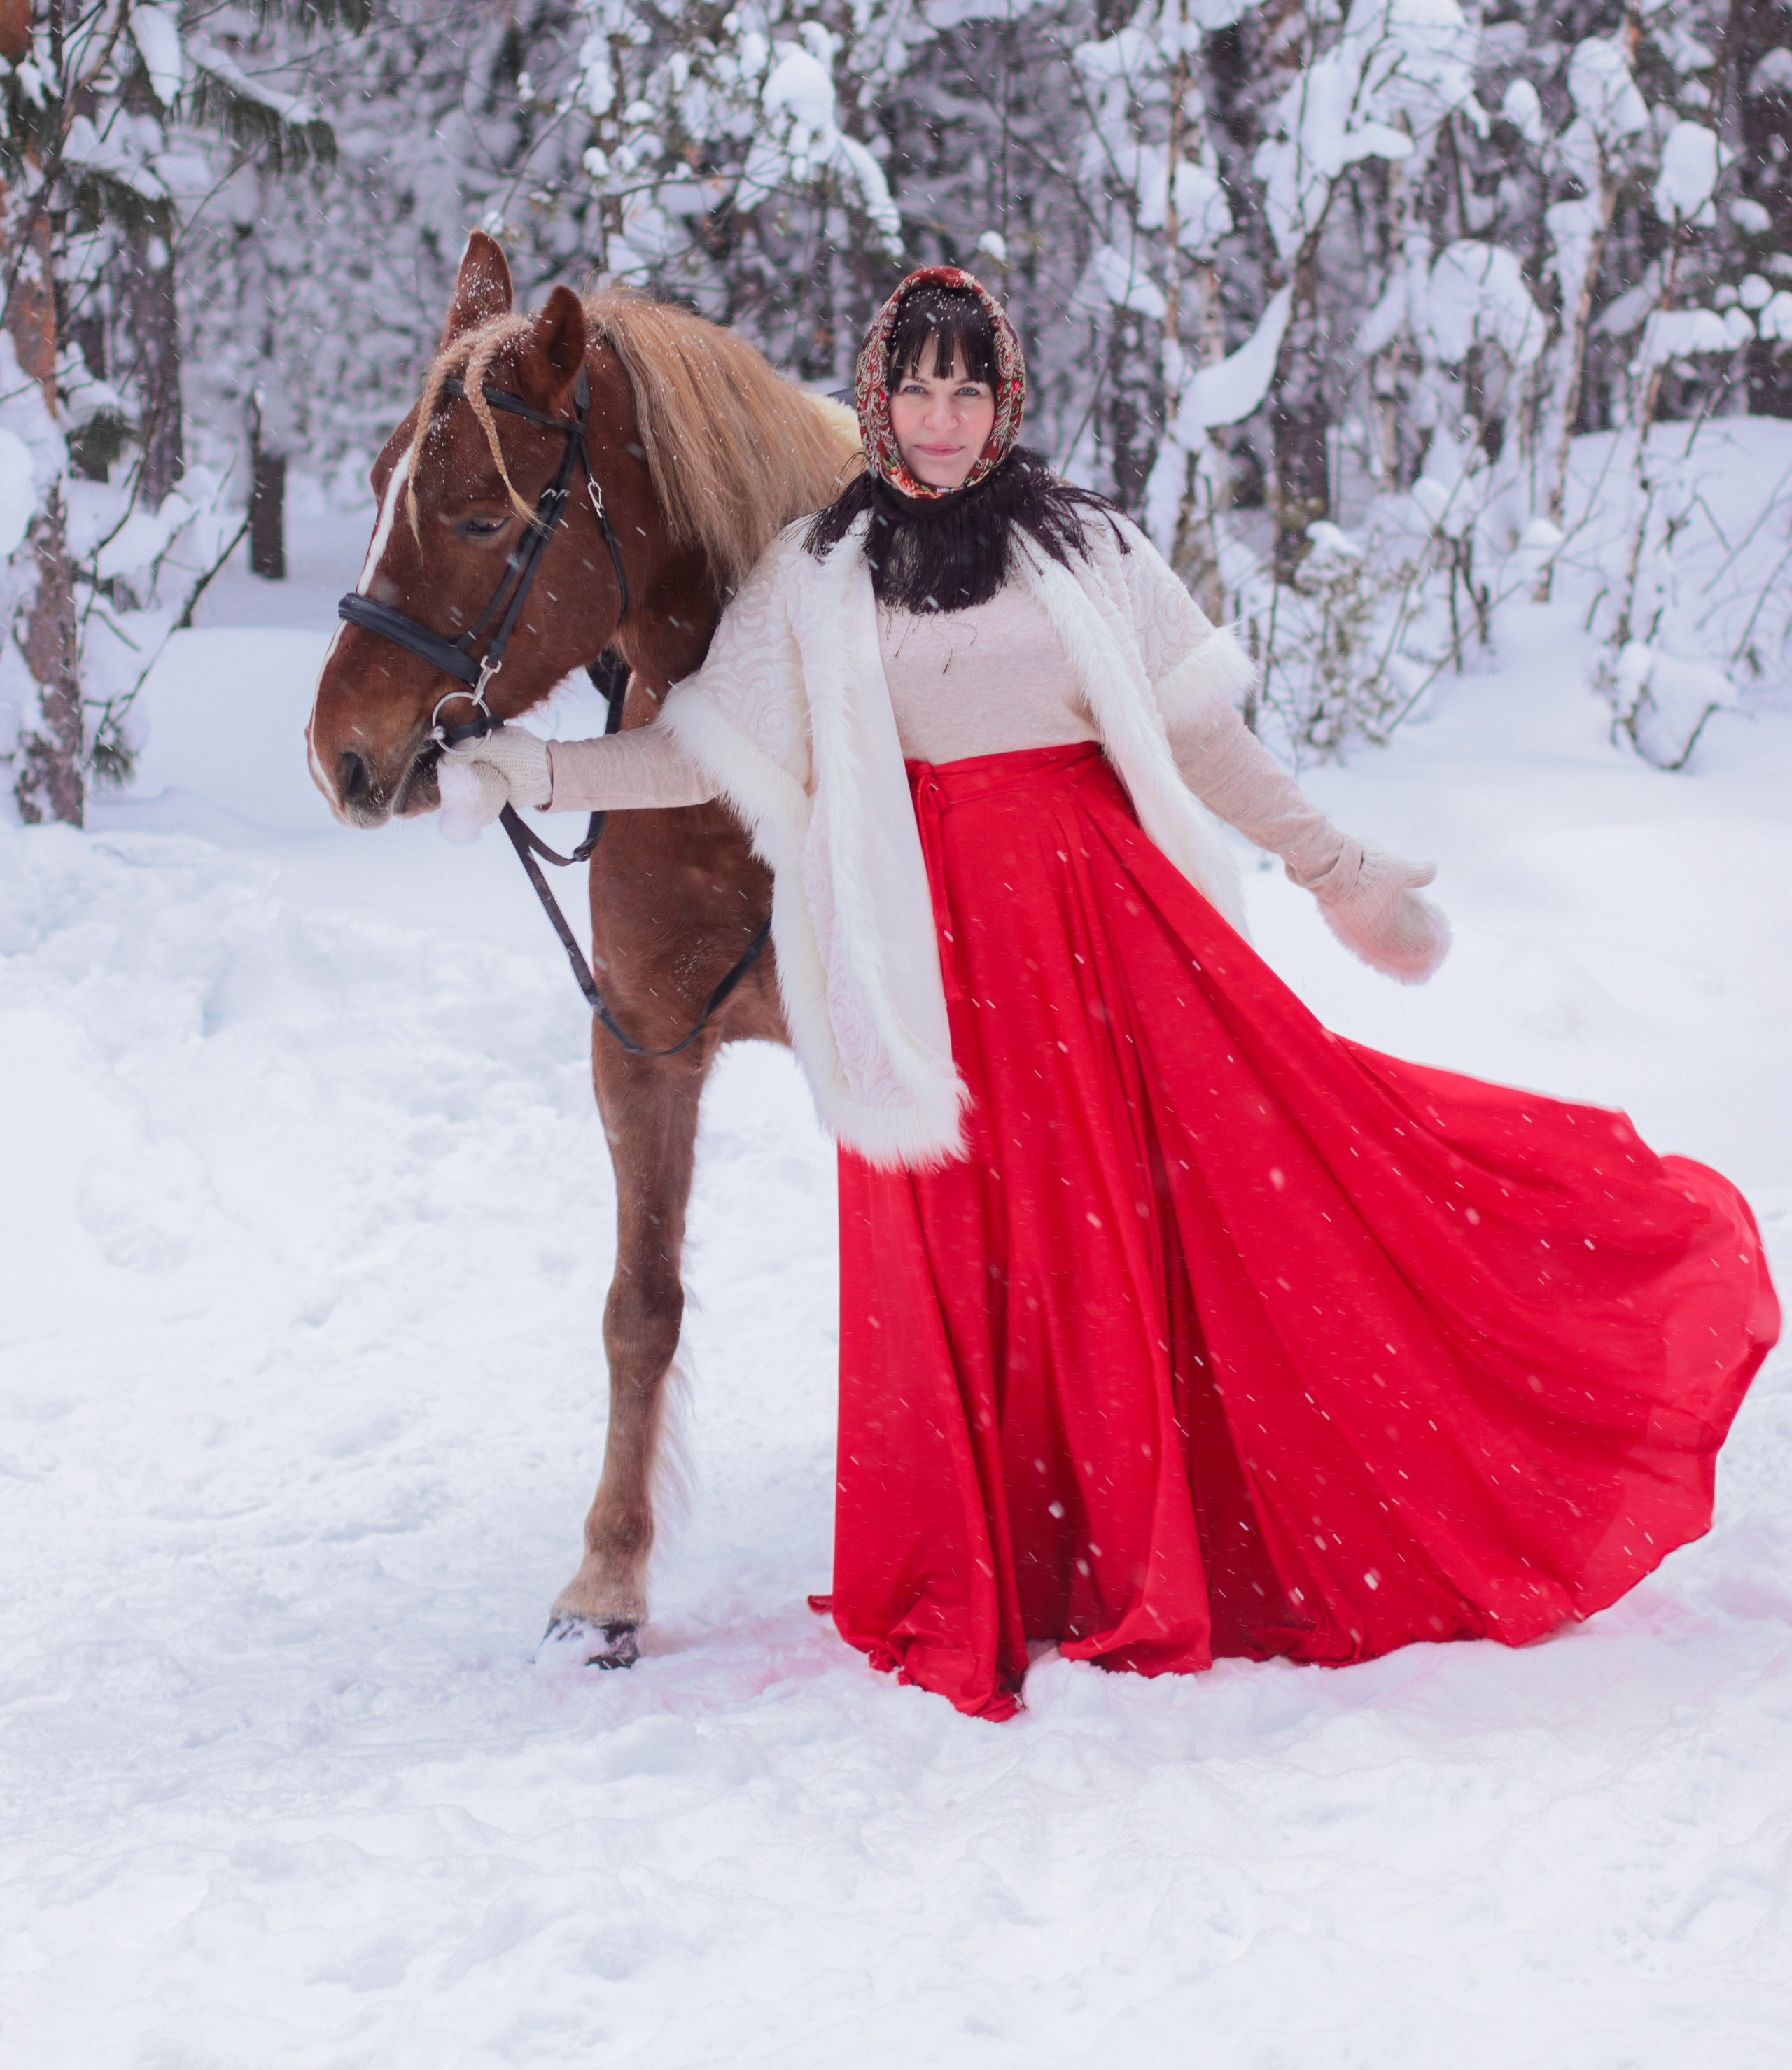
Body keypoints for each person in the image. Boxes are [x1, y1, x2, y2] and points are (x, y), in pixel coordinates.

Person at [446, 265, 1777, 1722]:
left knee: (1165, 1233)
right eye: (916, 386)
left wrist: (1335, 870)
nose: (941, 417)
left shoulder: (1079, 545)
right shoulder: (815, 574)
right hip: (926, 969)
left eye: (968, 387)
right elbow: (706, 753)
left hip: (1095, 945)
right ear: (875, 398)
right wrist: (539, 770)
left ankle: (1154, 1546)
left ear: (1000, 398)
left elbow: (1203, 740)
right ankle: (1006, 1557)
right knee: (970, 1259)